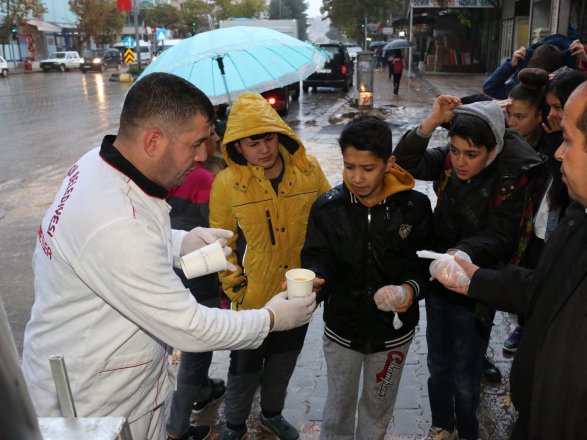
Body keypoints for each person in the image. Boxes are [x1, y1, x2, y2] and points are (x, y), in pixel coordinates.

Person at [21, 73, 316, 440]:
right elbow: (190, 327)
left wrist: (182, 242)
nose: (203, 156)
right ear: (154, 141)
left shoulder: (99, 164)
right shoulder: (115, 223)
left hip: (117, 378)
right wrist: (271, 319)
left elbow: (129, 240)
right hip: (97, 404)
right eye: (195, 144)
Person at [449, 69, 587, 439]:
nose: (557, 152)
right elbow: (548, 290)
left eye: (567, 139)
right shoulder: (584, 213)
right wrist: (476, 279)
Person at [394, 97, 543, 440]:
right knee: (437, 363)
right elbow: (405, 162)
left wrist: (462, 254)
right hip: (438, 279)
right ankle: (441, 425)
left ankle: (468, 431)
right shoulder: (448, 161)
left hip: (476, 287)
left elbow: (500, 235)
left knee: (465, 370)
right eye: (456, 150)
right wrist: (432, 121)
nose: (460, 161)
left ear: (492, 151)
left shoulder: (510, 179)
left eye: (471, 154)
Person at [300, 115, 433, 440]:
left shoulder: (414, 207)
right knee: (337, 411)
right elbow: (317, 257)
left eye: (367, 168)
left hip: (393, 338)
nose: (356, 177)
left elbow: (428, 262)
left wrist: (409, 290)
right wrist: (317, 280)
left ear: (388, 163)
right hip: (342, 331)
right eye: (349, 166)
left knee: (377, 411)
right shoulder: (328, 208)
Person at [209, 92, 330, 440]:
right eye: (253, 142)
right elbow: (221, 243)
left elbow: (331, 220)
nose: (264, 149)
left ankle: (271, 415)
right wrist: (236, 287)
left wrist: (321, 275)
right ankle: (234, 424)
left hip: (299, 292)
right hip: (253, 299)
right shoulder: (227, 184)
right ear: (238, 146)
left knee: (284, 360)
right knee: (245, 366)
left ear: (280, 135)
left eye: (269, 138)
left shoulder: (308, 171)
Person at [502, 68, 586, 354]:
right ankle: (524, 326)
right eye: (550, 107)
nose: (553, 114)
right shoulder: (547, 136)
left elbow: (565, 191)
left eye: (557, 107)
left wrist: (554, 145)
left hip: (560, 226)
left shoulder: (571, 143)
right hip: (535, 226)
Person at [165, 130, 228, 440]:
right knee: (198, 346)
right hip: (200, 271)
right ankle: (176, 427)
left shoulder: (169, 171)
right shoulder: (205, 180)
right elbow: (221, 228)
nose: (217, 136)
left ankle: (202, 390)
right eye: (212, 133)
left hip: (171, 263)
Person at [482, 34, 587, 100]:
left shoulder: (568, 88)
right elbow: (490, 88)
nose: (540, 81)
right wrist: (511, 65)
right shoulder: (523, 85)